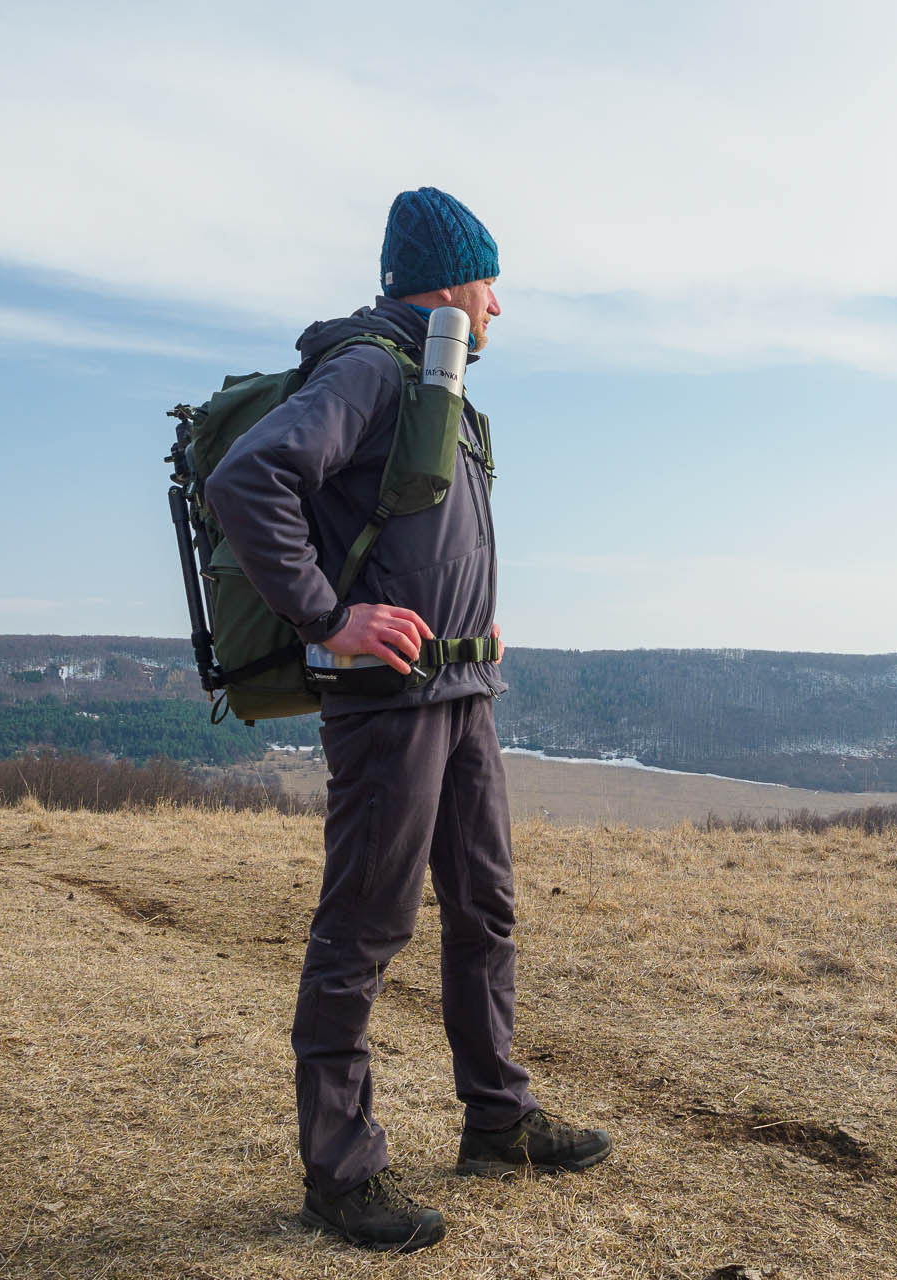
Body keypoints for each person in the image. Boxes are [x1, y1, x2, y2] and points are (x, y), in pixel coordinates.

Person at [205, 187, 610, 1254]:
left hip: (460, 692)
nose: (498, 305)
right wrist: (330, 617)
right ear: (449, 281)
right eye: (491, 281)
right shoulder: (375, 368)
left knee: (485, 907)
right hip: (389, 704)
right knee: (364, 930)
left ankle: (499, 1117)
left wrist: (475, 627)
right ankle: (340, 1175)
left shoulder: (442, 382)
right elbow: (250, 476)